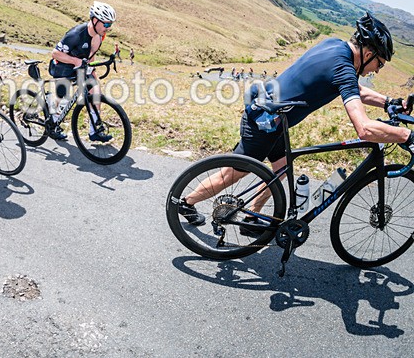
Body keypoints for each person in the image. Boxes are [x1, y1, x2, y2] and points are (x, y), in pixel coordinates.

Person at [177, 12, 414, 228]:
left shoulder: (335, 46)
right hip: (265, 121)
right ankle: (186, 202)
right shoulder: (343, 67)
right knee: (234, 173)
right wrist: (407, 136)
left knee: (280, 170)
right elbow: (364, 129)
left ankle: (252, 216)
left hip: (275, 117)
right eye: (379, 64)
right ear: (369, 53)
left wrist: (387, 101)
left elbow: (351, 88)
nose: (378, 70)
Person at [48, 1, 117, 141]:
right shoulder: (75, 34)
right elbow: (55, 53)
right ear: (95, 20)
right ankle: (53, 118)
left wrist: (92, 73)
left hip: (80, 67)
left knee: (95, 93)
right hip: (63, 65)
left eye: (110, 25)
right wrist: (75, 61)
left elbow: (90, 57)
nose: (108, 28)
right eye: (106, 24)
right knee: (62, 96)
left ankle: (94, 130)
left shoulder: (99, 37)